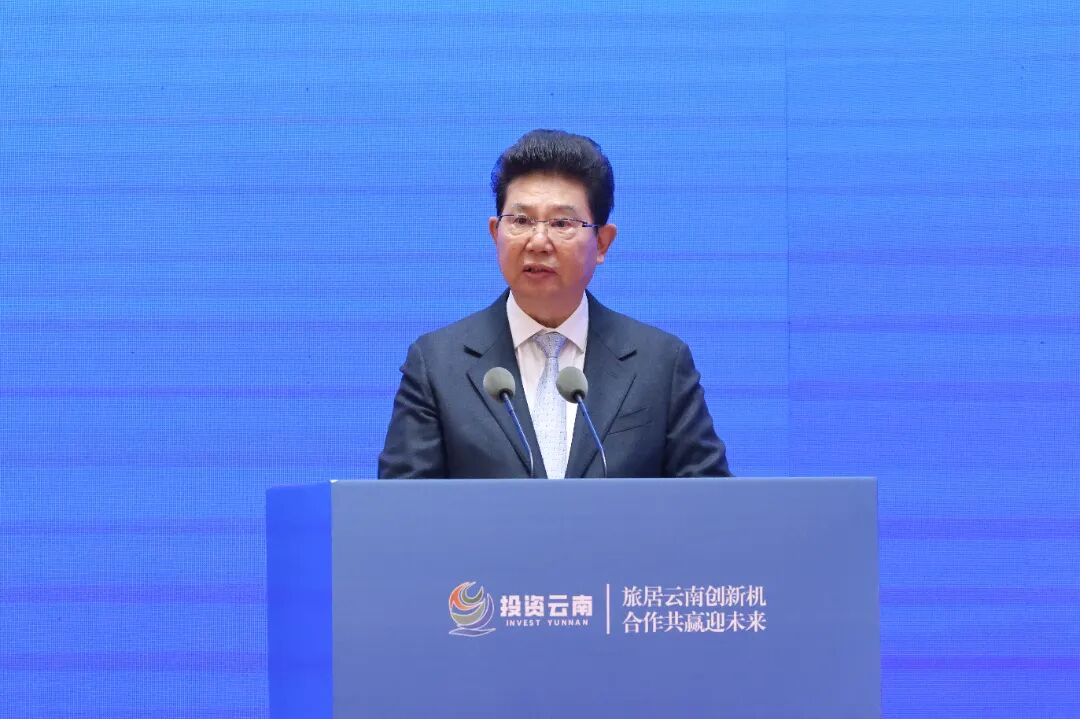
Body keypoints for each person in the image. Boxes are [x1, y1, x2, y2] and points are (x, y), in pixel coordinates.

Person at [378, 129, 731, 479]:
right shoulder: (437, 365)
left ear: (602, 243)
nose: (538, 241)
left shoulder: (661, 364)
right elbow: (401, 505)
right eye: (520, 221)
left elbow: (711, 502)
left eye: (562, 223)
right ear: (495, 233)